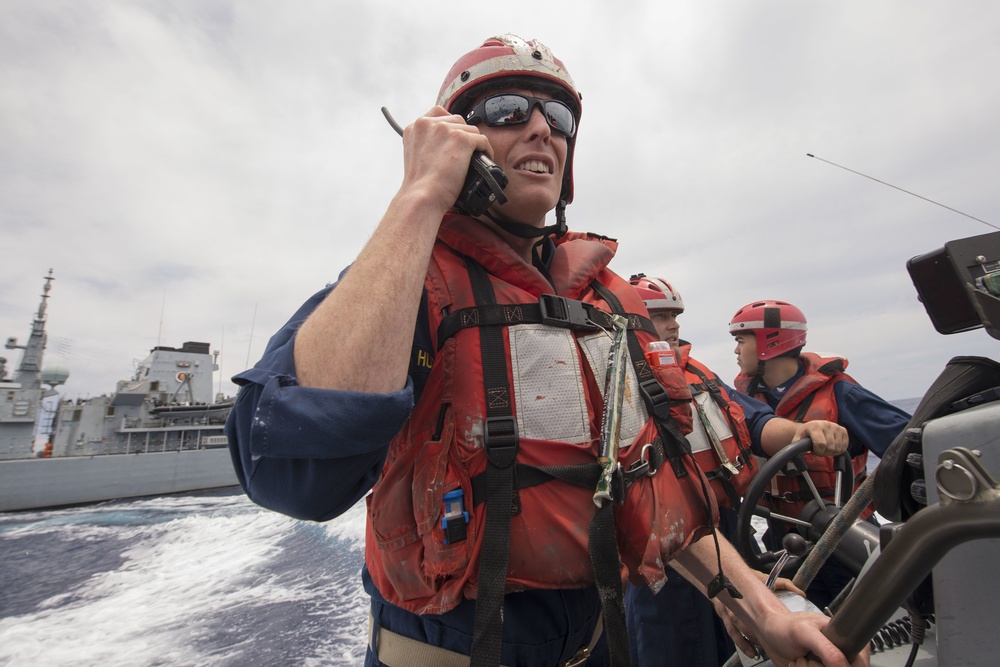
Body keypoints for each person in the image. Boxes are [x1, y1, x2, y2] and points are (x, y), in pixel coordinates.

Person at [226, 35, 867, 667]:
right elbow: (296, 479)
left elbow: (657, 495)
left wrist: (754, 606)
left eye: (557, 118)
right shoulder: (403, 287)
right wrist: (421, 195)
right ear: (456, 140)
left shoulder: (611, 309)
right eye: (508, 110)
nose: (541, 130)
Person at [624, 277, 841, 667]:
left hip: (730, 532)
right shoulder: (618, 386)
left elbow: (753, 423)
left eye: (675, 315)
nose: (673, 325)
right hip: (666, 553)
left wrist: (801, 431)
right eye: (659, 316)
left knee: (745, 650)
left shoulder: (699, 376)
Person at [729, 299, 912, 609]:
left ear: (767, 343)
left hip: (845, 538)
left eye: (740, 340)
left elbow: (908, 446)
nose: (735, 351)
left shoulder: (841, 393)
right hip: (781, 544)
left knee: (861, 622)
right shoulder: (742, 404)